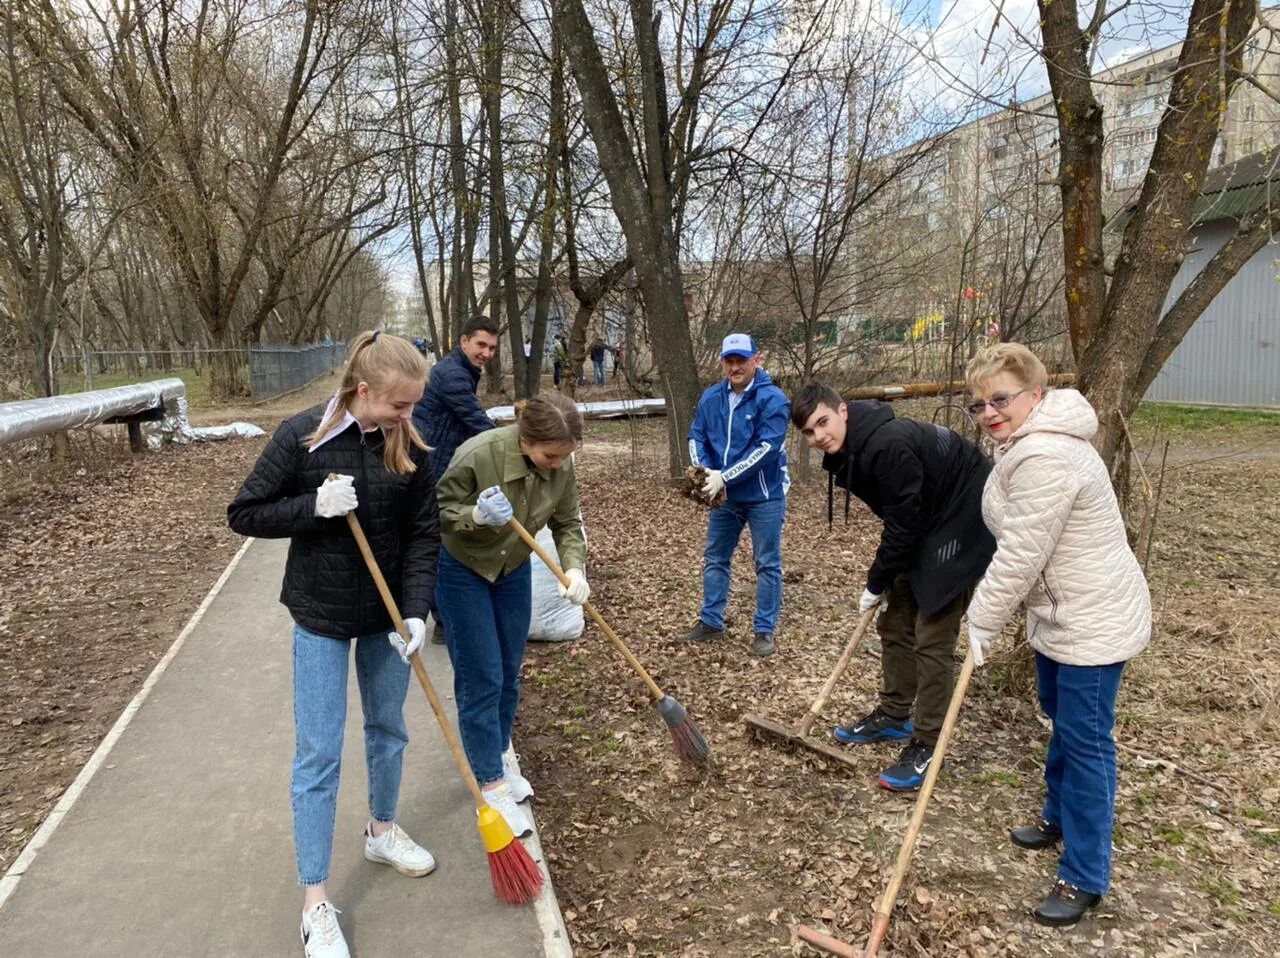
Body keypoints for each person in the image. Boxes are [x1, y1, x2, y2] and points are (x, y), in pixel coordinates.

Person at [228, 331, 439, 958]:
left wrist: (418, 612)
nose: (409, 416)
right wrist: (311, 506)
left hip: (387, 619)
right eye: (400, 405)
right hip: (319, 616)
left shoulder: (409, 444)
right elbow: (243, 513)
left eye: (413, 405)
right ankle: (315, 902)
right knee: (318, 754)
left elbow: (424, 532)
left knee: (388, 729)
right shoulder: (301, 436)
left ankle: (381, 829)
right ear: (365, 390)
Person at [963, 343, 1150, 927]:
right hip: (1060, 613)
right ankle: (1058, 815)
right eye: (978, 405)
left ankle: (1085, 874)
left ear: (1035, 396)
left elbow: (1020, 553)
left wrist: (981, 620)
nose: (990, 413)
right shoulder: (1025, 444)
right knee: (1058, 716)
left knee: (1087, 740)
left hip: (1093, 620)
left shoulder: (1046, 455)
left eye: (1001, 399)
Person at [791, 381, 995, 791]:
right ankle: (894, 715)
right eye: (810, 433)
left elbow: (903, 522)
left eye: (823, 423)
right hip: (926, 521)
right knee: (895, 620)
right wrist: (887, 582)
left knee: (932, 633)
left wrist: (876, 579)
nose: (819, 437)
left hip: (966, 518)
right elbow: (904, 519)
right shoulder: (854, 448)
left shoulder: (886, 445)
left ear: (842, 410)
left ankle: (928, 744)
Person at [433, 393, 589, 837]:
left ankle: (498, 751)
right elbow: (438, 511)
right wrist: (476, 516)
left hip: (514, 567)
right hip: (464, 569)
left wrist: (573, 567)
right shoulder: (478, 455)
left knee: (508, 669)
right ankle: (490, 783)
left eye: (565, 456)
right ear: (525, 441)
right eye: (550, 456)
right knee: (481, 675)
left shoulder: (562, 466)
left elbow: (567, 522)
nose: (558, 465)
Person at [683, 333, 790, 657]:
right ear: (722, 363)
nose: (735, 367)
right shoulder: (711, 398)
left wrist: (723, 477)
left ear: (756, 360)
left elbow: (767, 449)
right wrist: (702, 470)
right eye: (729, 361)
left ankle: (764, 630)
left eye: (741, 360)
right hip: (723, 497)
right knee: (715, 557)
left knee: (767, 563)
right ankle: (711, 621)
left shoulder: (774, 400)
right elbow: (696, 435)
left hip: (764, 495)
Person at [412, 316, 499, 644]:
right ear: (464, 342)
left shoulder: (461, 371)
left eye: (491, 348)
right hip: (432, 466)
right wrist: (515, 445)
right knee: (436, 543)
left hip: (439, 462)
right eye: (481, 345)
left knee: (438, 540)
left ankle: (445, 620)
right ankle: (443, 623)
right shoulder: (452, 375)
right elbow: (475, 420)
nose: (486, 353)